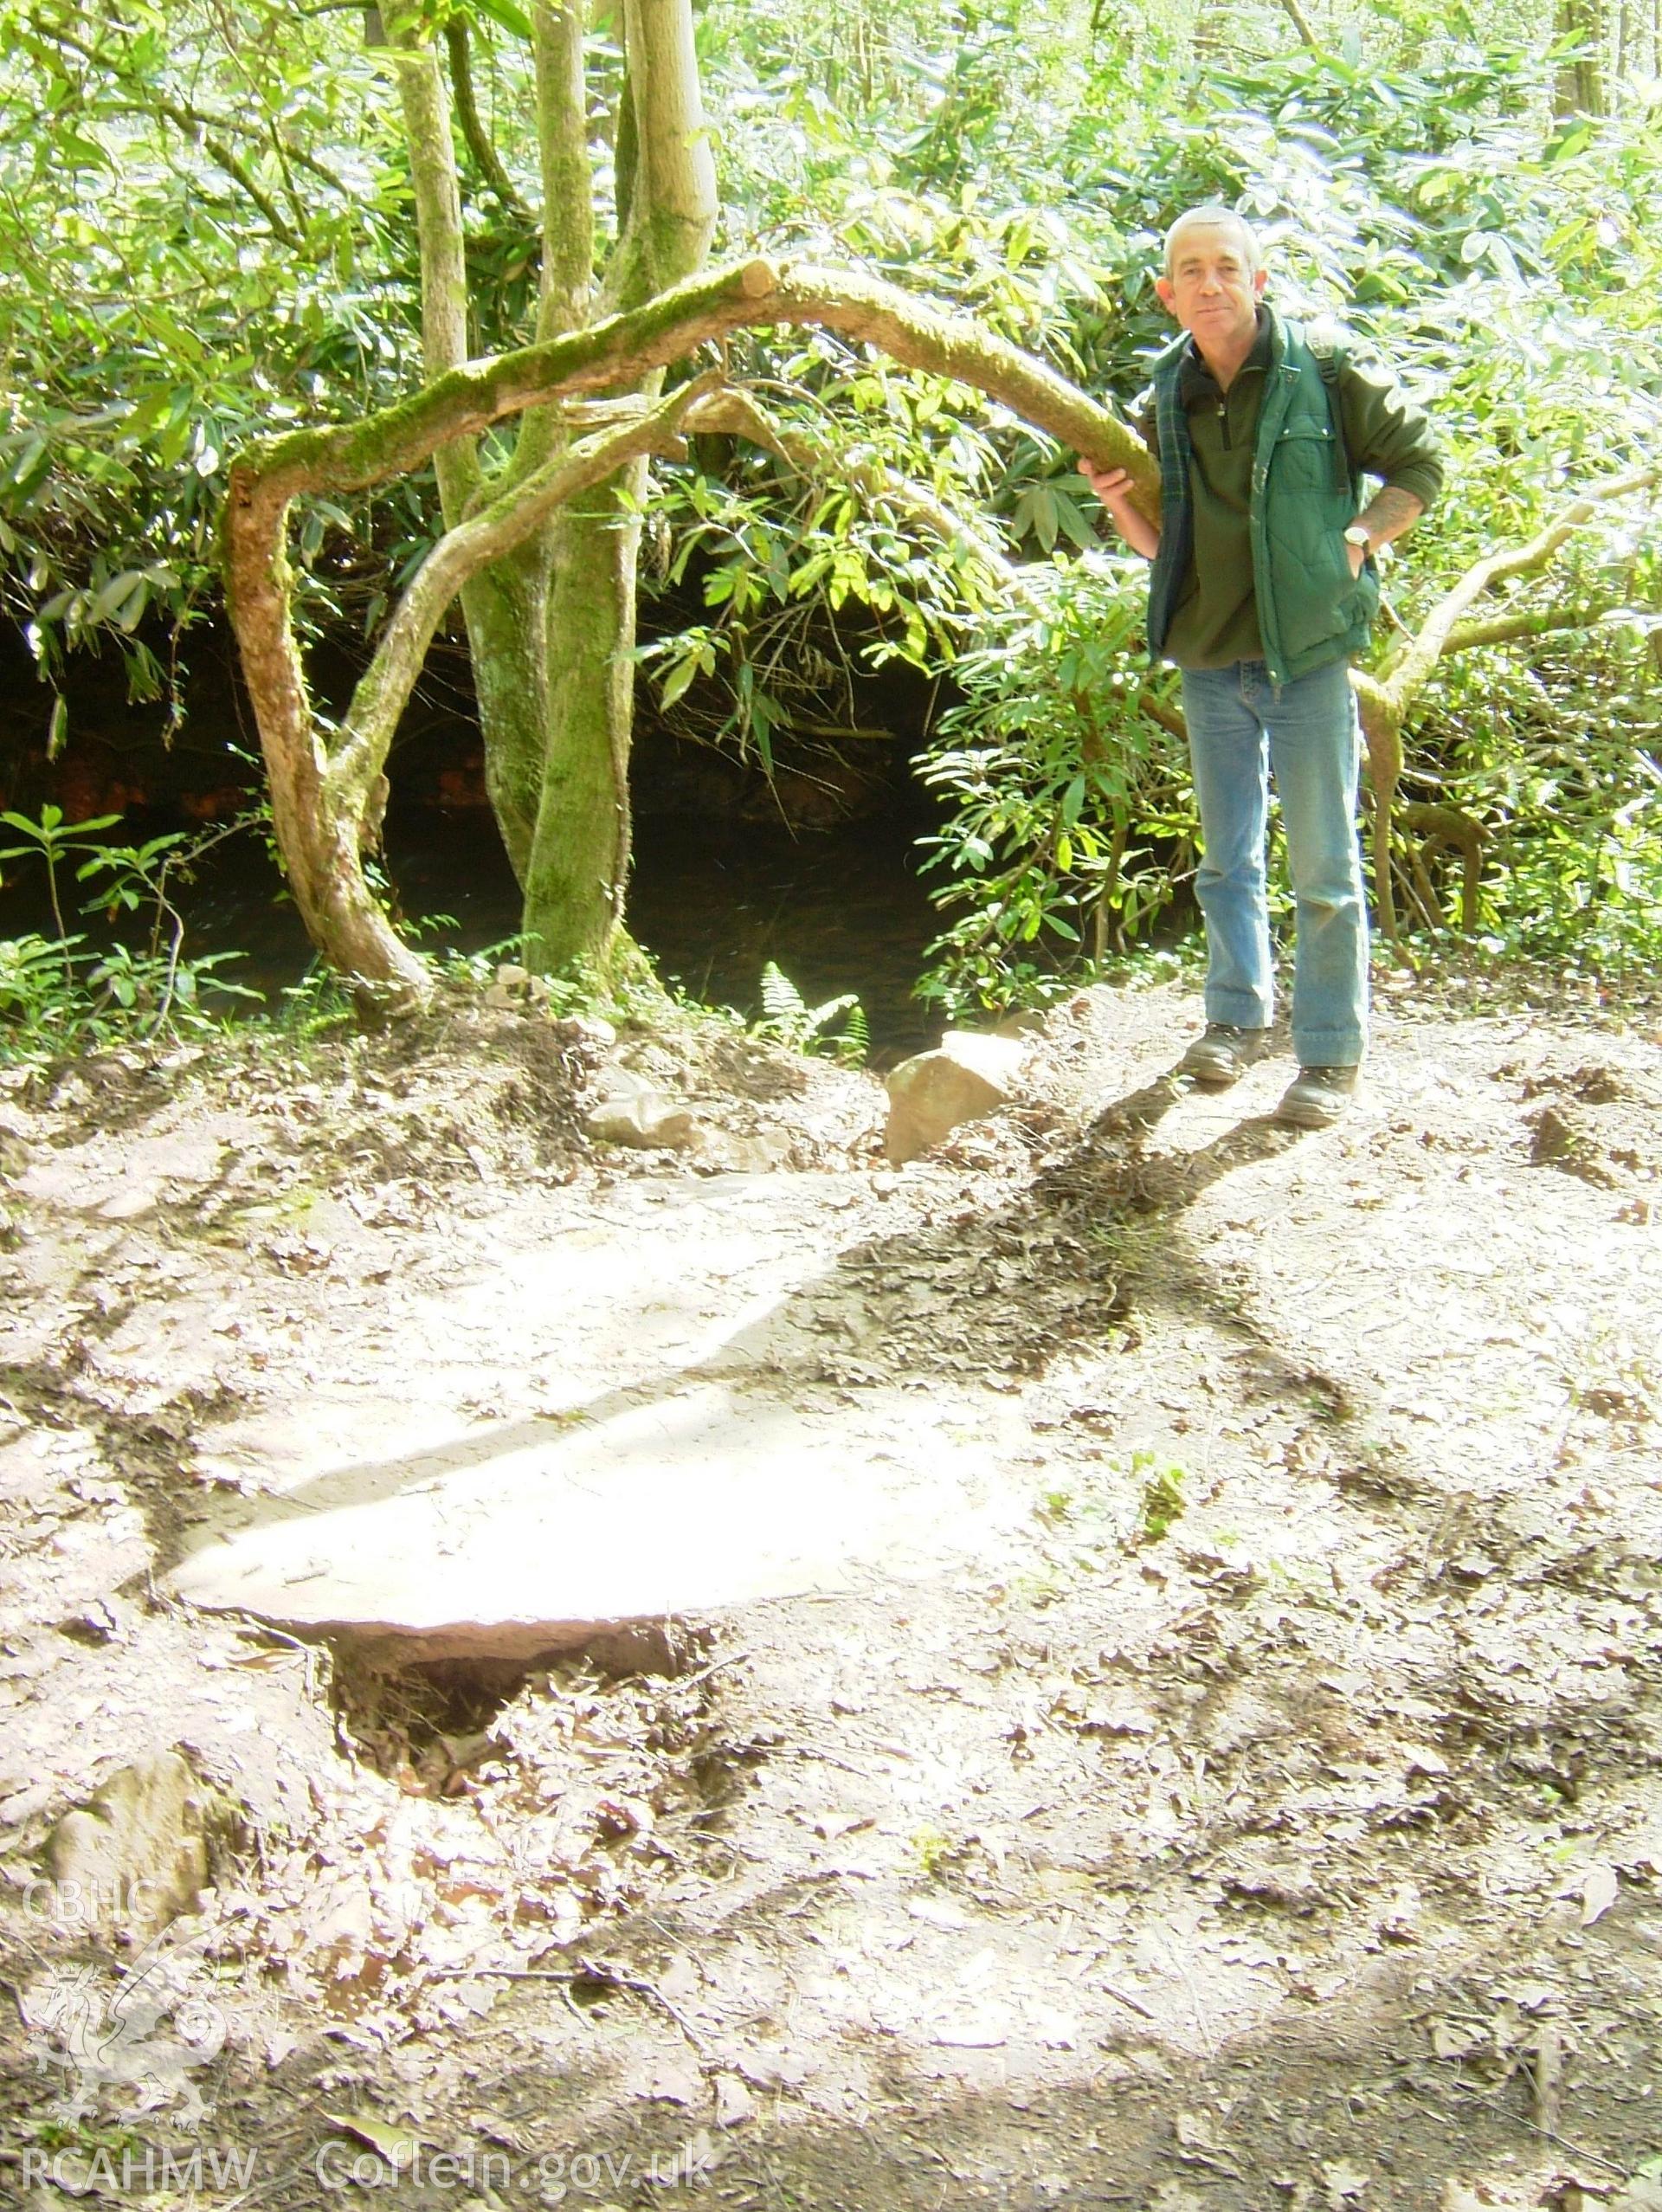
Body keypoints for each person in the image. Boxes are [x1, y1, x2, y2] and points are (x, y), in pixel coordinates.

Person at [1082, 206, 1442, 1127]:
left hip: (1309, 656)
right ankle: (1233, 1022)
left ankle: (1327, 1055)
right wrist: (1120, 503)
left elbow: (1421, 465)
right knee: (1226, 862)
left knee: (1324, 866)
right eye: (1190, 271)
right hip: (1211, 660)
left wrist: (1361, 535)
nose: (1210, 284)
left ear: (1258, 280)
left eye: (1227, 268)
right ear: (1167, 294)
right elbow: (1168, 546)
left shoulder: (1322, 369)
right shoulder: (1167, 392)